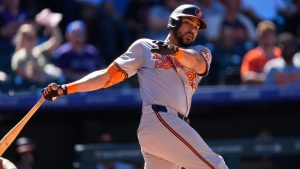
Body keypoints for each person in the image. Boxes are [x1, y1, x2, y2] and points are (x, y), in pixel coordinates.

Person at [42, 4, 228, 169]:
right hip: (160, 119)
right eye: (188, 23)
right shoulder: (145, 47)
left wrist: (175, 52)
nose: (193, 29)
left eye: (196, 27)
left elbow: (198, 64)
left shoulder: (200, 51)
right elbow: (107, 77)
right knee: (215, 165)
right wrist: (66, 88)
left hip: (174, 126)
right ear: (173, 23)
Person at [11, 8, 64, 88]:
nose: (32, 40)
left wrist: (52, 25)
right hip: (29, 90)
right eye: (28, 37)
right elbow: (28, 76)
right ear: (22, 39)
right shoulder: (18, 57)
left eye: (33, 36)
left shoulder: (39, 50)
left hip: (46, 86)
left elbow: (56, 40)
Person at [240, 20, 281, 85]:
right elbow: (245, 76)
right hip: (259, 92)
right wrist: (267, 78)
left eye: (270, 33)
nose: (268, 36)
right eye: (265, 34)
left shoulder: (281, 53)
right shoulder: (252, 55)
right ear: (259, 37)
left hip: (280, 92)